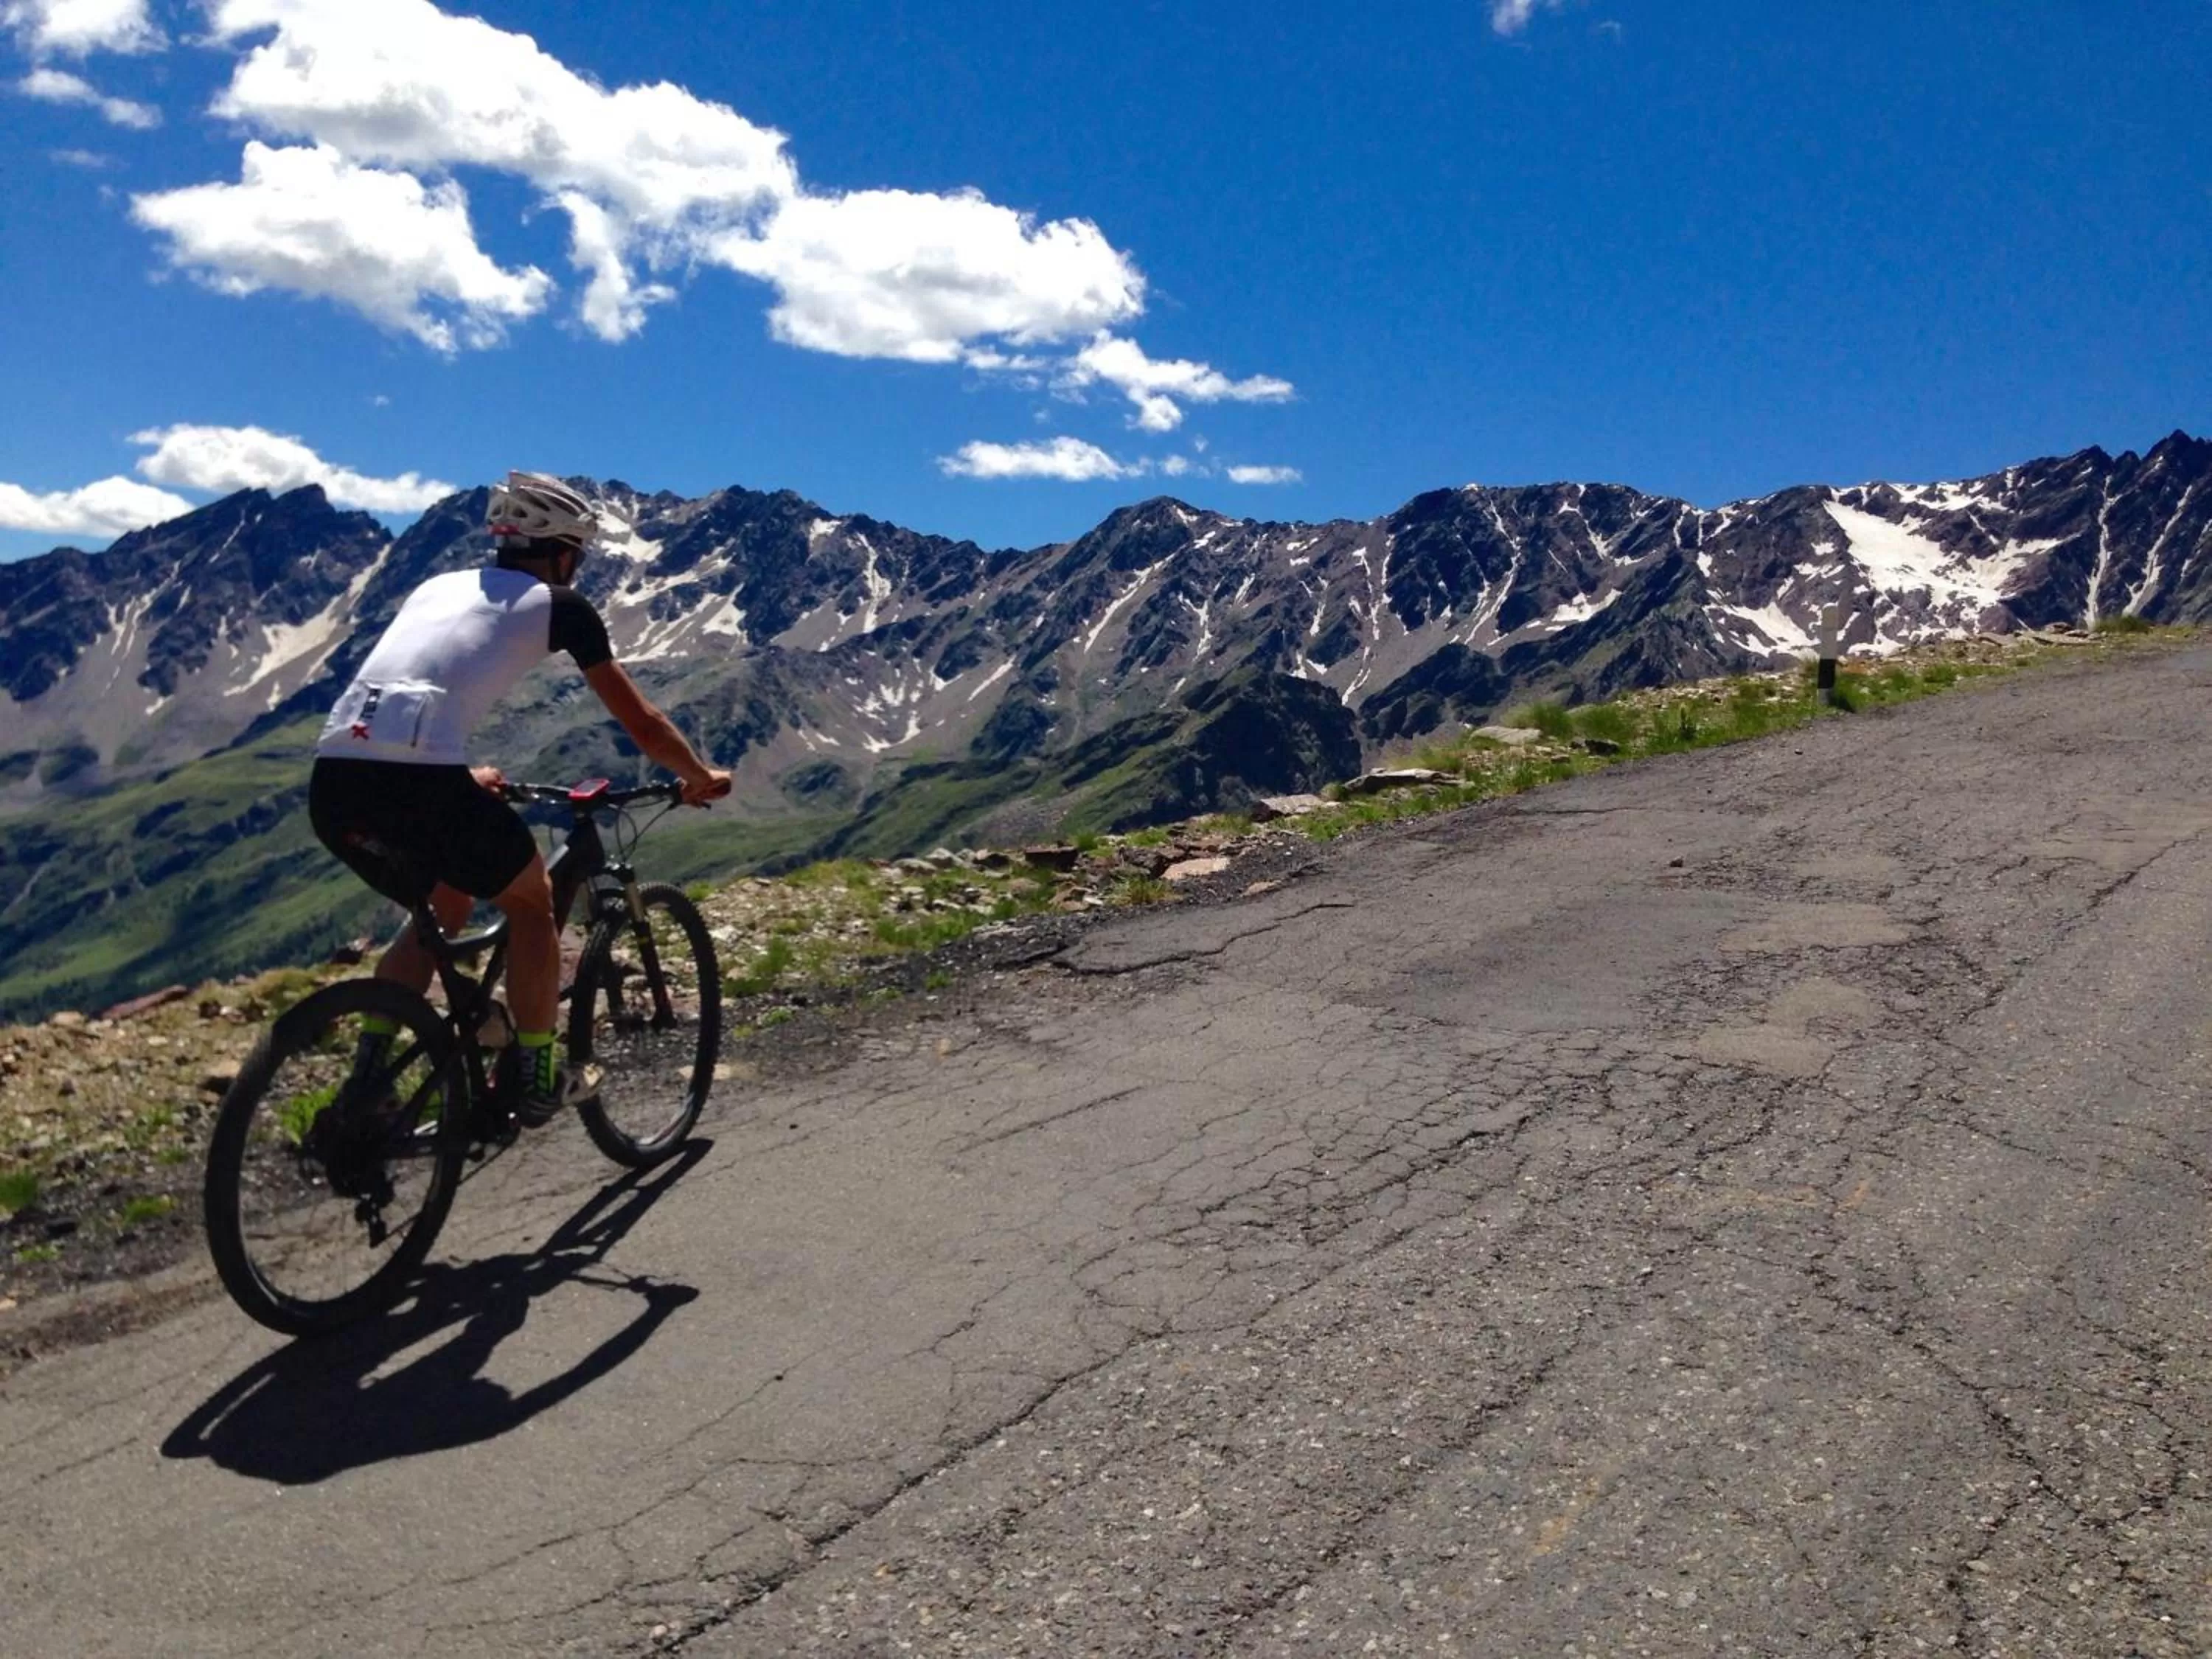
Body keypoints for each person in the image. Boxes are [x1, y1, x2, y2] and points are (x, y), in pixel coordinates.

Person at [307, 471, 731, 1121]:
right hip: (421, 780)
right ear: (562, 551)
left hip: (335, 777)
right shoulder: (561, 606)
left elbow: (415, 684)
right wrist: (698, 775)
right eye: (579, 558)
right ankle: (535, 1076)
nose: (578, 570)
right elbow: (642, 722)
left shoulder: (435, 587)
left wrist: (460, 772)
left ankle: (369, 1081)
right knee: (532, 904)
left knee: (444, 900)